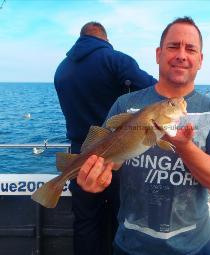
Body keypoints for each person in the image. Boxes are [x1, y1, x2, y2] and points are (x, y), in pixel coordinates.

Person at [77, 17, 210, 255]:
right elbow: (108, 161)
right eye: (173, 46)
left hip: (194, 247)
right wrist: (93, 181)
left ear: (200, 60)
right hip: (130, 246)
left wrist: (185, 147)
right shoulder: (125, 104)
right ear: (158, 54)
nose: (182, 55)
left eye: (190, 49)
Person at [54, 22, 156, 255]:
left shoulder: (61, 69)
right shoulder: (115, 60)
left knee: (85, 221)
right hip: (117, 152)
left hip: (79, 155)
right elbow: (153, 90)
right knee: (122, 218)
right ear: (105, 39)